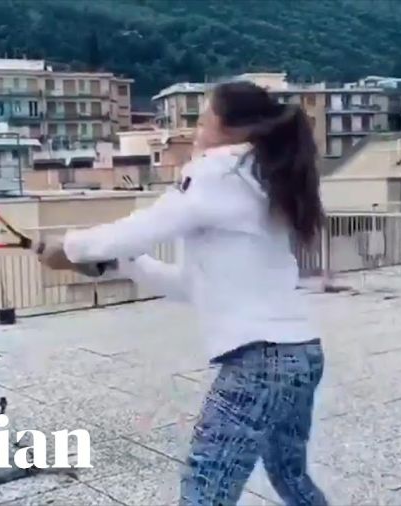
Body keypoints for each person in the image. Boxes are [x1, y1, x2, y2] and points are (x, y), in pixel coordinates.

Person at [38, 80, 328, 506]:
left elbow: (143, 226)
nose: (196, 130)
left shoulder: (218, 171)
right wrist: (126, 264)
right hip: (301, 354)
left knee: (205, 489)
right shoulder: (262, 178)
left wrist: (70, 246)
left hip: (259, 362)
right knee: (290, 477)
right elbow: (192, 285)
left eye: (203, 118)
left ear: (231, 127)